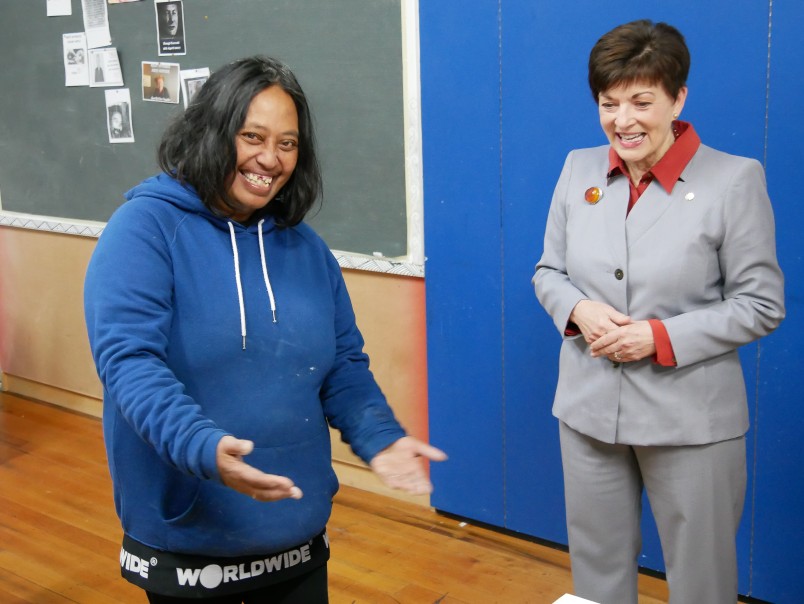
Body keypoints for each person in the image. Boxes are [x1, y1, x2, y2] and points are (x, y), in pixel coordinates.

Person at [84, 55, 446, 603]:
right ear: (211, 132)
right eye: (252, 136)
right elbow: (128, 364)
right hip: (190, 539)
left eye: (288, 143)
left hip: (295, 534)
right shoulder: (143, 230)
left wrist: (379, 436)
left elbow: (342, 365)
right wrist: (202, 447)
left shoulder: (307, 250)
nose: (270, 159)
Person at [532, 19, 784, 604]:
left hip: (692, 423)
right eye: (609, 103)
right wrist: (580, 311)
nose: (623, 121)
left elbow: (761, 303)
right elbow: (548, 273)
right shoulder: (578, 169)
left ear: (678, 99)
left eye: (642, 102)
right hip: (589, 411)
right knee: (596, 575)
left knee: (702, 582)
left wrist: (658, 337)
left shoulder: (735, 181)